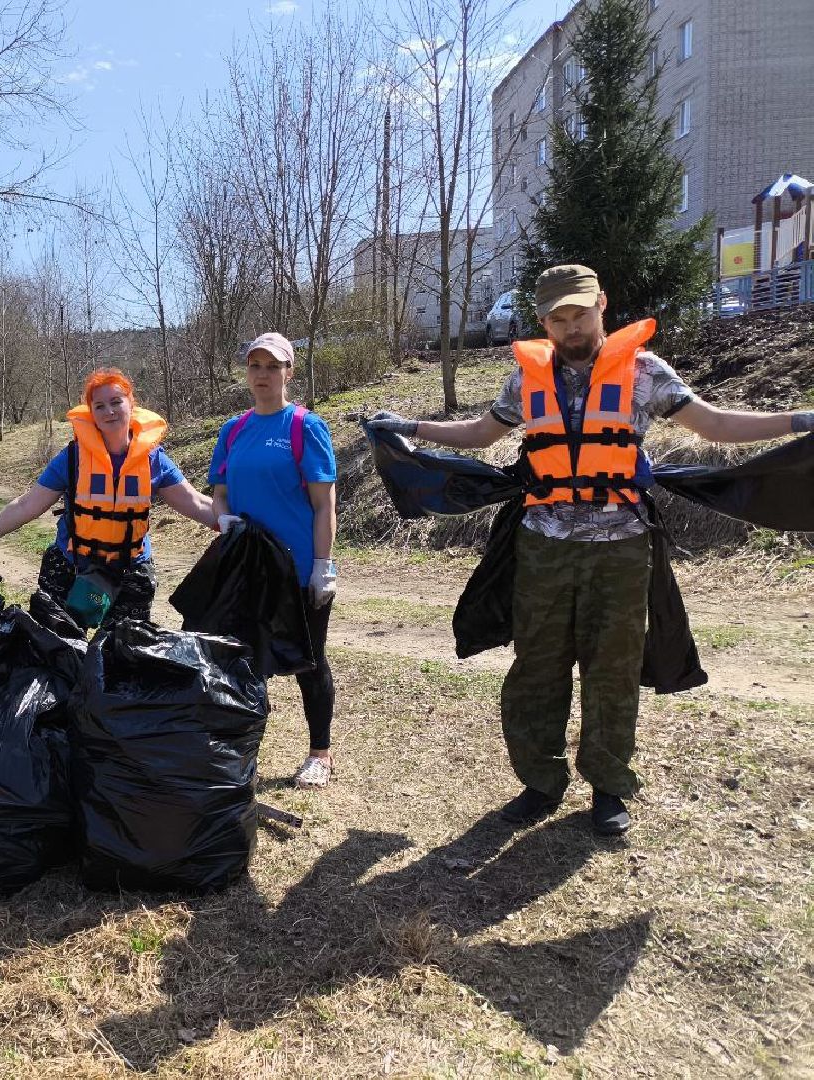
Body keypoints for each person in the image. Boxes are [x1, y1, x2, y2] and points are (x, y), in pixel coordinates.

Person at [368, 263, 814, 835]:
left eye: (580, 312)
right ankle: (539, 783)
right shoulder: (525, 381)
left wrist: (800, 419)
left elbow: (716, 425)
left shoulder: (645, 373)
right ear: (543, 321)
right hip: (544, 546)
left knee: (613, 669)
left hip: (621, 548)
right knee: (537, 667)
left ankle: (608, 787)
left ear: (602, 303)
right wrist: (410, 427)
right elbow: (481, 434)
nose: (571, 325)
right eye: (558, 317)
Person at [0, 368, 215, 627]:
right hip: (70, 566)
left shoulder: (153, 460)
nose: (109, 411)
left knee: (123, 656)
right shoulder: (73, 458)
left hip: (130, 571)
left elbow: (197, 503)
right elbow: (27, 505)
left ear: (131, 404)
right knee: (55, 651)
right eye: (99, 406)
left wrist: (234, 522)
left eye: (116, 402)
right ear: (91, 412)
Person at [209, 332, 339, 789]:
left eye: (272, 366)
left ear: (289, 372)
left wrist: (323, 565)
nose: (262, 375)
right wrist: (223, 518)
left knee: (309, 660)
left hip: (299, 567)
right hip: (247, 567)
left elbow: (325, 504)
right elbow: (219, 490)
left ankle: (319, 753)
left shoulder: (304, 427)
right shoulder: (233, 430)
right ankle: (241, 751)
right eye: (254, 366)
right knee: (241, 658)